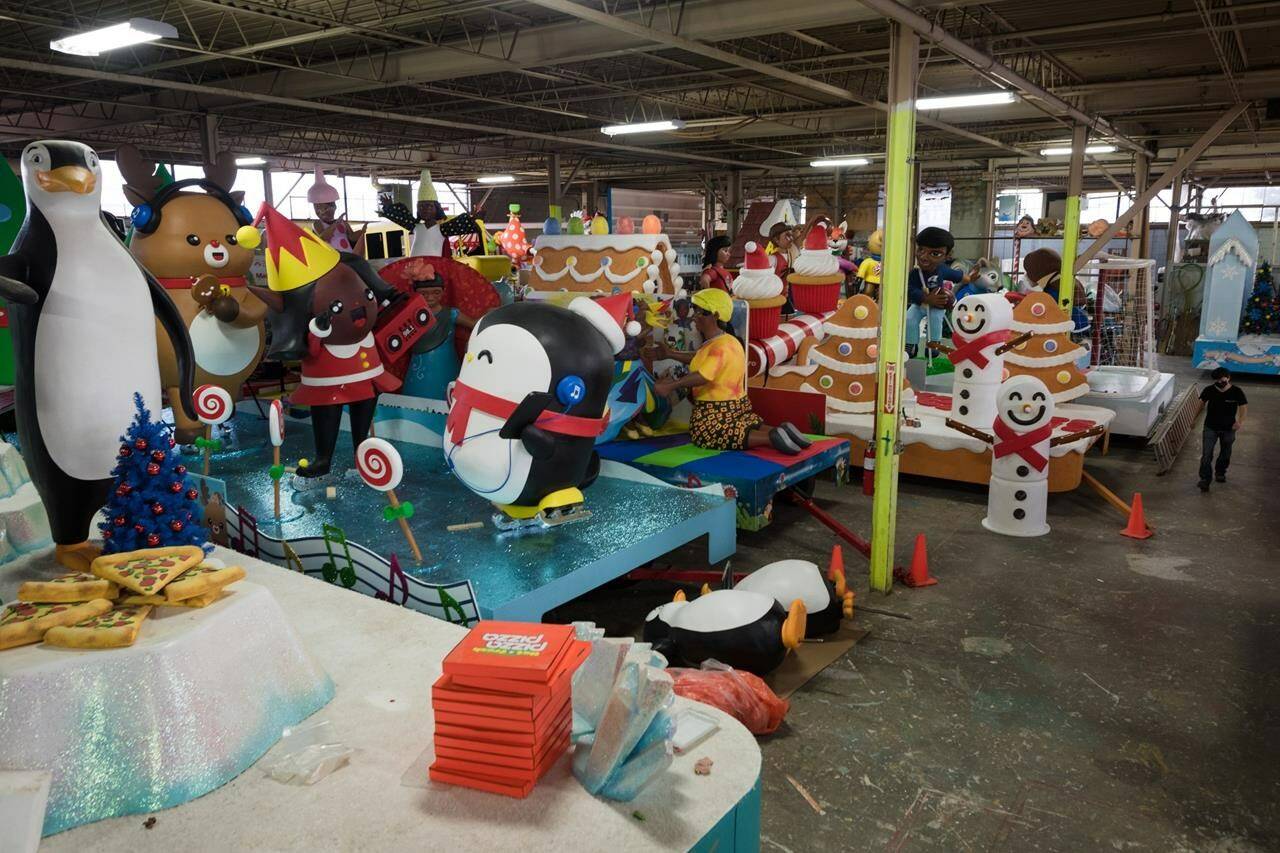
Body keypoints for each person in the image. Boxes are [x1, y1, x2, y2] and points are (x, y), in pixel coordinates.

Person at [650, 289, 809, 454]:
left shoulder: (720, 347)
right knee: (744, 423)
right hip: (736, 407)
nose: (695, 316)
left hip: (716, 409)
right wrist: (670, 354)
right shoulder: (726, 341)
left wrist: (671, 386)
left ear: (716, 316)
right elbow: (699, 357)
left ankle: (770, 438)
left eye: (701, 313)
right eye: (695, 311)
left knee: (705, 434)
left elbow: (703, 376)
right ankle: (779, 431)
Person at [905, 226, 964, 358]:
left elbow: (957, 276)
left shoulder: (942, 269)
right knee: (910, 319)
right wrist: (924, 298)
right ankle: (910, 344)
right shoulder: (915, 273)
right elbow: (909, 289)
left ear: (947, 255)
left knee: (936, 319)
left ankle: (933, 344)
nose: (924, 257)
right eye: (921, 250)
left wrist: (970, 278)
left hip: (937, 305)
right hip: (920, 304)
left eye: (935, 254)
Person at [1196, 366, 1247, 491]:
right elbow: (1201, 405)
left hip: (1229, 428)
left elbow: (1243, 407)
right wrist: (1194, 420)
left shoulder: (1237, 391)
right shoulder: (1209, 390)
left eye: (1222, 380)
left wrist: (1240, 422)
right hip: (1210, 427)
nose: (1220, 383)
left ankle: (1220, 472)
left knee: (1225, 452)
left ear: (1228, 378)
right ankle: (1205, 479)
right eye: (1217, 380)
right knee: (1206, 454)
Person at [308, 167, 365, 255]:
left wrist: (361, 232)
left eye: (332, 205)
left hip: (347, 255)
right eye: (326, 207)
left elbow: (351, 237)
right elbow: (323, 238)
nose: (330, 209)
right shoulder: (317, 224)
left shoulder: (343, 222)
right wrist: (336, 224)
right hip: (333, 258)